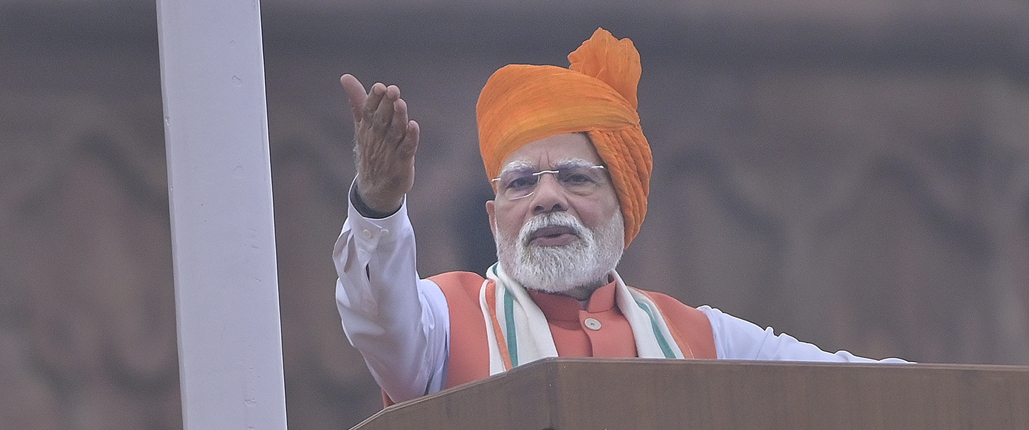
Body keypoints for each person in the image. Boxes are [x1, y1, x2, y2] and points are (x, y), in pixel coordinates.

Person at [334, 29, 902, 406]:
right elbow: (378, 315)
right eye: (522, 183)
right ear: (493, 217)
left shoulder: (702, 337)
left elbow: (850, 385)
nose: (547, 198)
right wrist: (378, 205)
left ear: (622, 204)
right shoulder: (443, 320)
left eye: (577, 178)